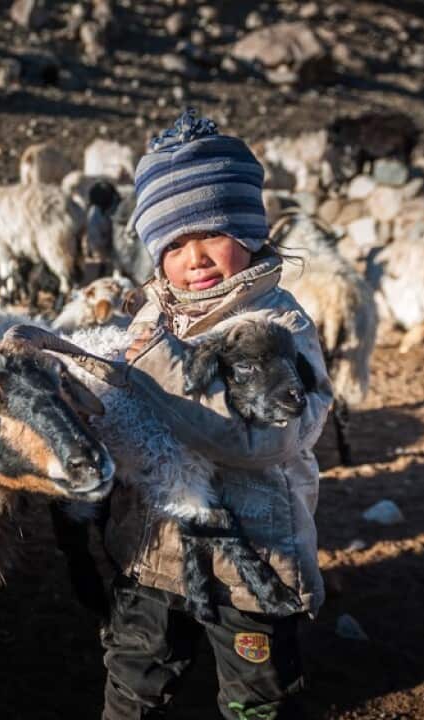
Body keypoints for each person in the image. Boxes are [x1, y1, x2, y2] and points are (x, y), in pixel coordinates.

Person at [100, 109, 332, 720]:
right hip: (153, 552)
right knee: (132, 685)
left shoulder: (280, 327)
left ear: (250, 230)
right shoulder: (151, 318)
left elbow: (262, 439)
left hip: (251, 559)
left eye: (210, 232)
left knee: (256, 699)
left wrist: (150, 366)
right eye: (173, 244)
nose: (193, 256)